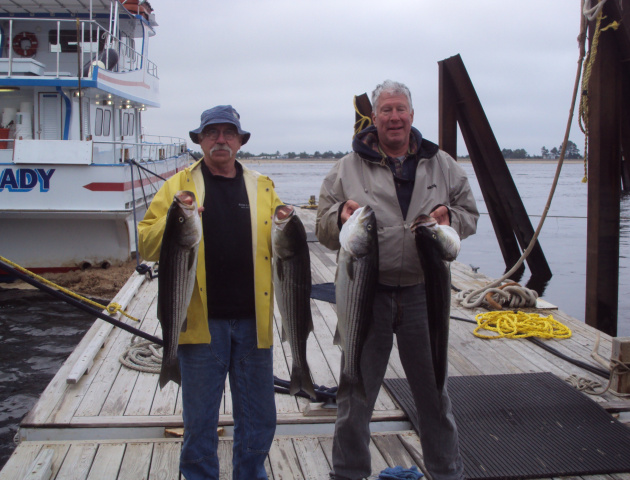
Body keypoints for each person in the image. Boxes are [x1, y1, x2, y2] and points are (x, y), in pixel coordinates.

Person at [316, 80, 479, 480]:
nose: (394, 117)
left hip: (424, 295)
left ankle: (447, 473)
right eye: (386, 110)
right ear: (374, 117)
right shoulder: (346, 167)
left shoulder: (441, 163)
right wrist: (338, 216)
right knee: (355, 394)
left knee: (434, 394)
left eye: (400, 109)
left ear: (412, 115)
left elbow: (469, 213)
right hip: (365, 296)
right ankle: (349, 473)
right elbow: (321, 227)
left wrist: (449, 219)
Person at [138, 105, 281, 480]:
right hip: (200, 323)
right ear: (200, 140)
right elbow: (146, 245)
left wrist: (291, 220)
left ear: (240, 140)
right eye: (212, 133)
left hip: (254, 323)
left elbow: (285, 237)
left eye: (228, 133)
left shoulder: (262, 186)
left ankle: (251, 474)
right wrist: (174, 216)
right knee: (199, 420)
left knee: (259, 417)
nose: (220, 140)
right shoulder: (177, 186)